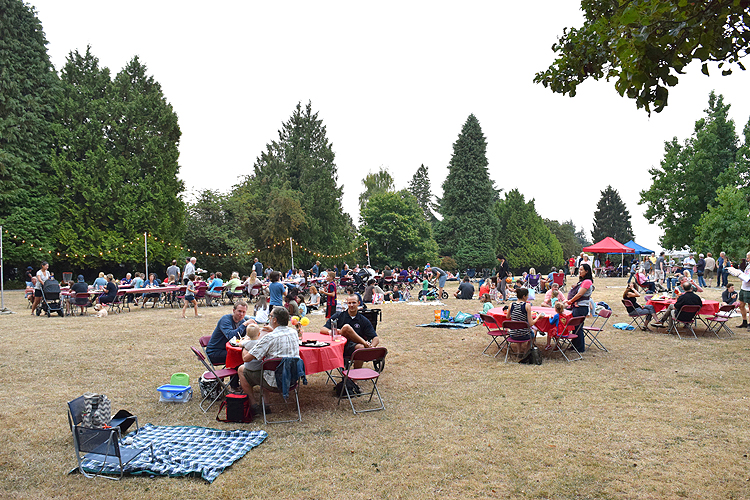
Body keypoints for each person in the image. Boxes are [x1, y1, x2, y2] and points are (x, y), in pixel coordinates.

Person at [239, 306, 300, 413]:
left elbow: (247, 358)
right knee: (266, 368)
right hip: (291, 379)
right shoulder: (294, 332)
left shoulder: (269, 337)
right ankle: (265, 405)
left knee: (241, 369)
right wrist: (273, 330)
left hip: (273, 381)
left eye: (270, 316)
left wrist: (245, 346)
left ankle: (254, 405)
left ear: (275, 319)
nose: (269, 318)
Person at [321, 295, 380, 368]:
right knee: (346, 328)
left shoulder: (363, 320)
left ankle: (356, 373)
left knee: (361, 348)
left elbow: (376, 338)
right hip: (340, 345)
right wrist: (334, 331)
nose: (351, 305)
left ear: (358, 303)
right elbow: (323, 329)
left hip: (354, 346)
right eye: (349, 303)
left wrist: (370, 348)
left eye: (354, 303)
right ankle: (364, 343)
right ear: (347, 304)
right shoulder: (339, 316)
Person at [206, 300, 256, 367]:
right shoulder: (225, 320)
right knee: (240, 356)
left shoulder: (242, 321)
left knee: (247, 354)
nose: (241, 314)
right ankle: (238, 373)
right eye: (239, 311)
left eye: (244, 312)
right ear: (233, 310)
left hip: (229, 349)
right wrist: (244, 325)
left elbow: (242, 336)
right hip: (214, 352)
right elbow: (232, 336)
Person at [566, 263, 594, 352]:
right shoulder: (583, 281)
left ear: (587, 271)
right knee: (575, 327)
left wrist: (570, 301)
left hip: (581, 307)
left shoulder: (587, 282)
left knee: (578, 327)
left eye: (582, 270)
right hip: (577, 306)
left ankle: (580, 348)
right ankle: (574, 346)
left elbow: (580, 294)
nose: (580, 271)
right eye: (579, 270)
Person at [507, 288, 539, 352]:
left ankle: (519, 351)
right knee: (534, 330)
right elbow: (531, 323)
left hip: (513, 334)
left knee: (517, 327)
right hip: (524, 335)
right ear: (524, 296)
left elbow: (507, 317)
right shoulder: (527, 305)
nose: (528, 297)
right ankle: (527, 351)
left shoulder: (511, 305)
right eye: (527, 296)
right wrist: (538, 317)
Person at [726, 257, 750, 329]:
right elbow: (745, 275)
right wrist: (738, 274)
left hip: (749, 289)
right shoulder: (748, 265)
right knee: (741, 305)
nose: (747, 259)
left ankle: (749, 324)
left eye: (748, 258)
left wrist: (740, 275)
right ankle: (744, 322)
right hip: (743, 288)